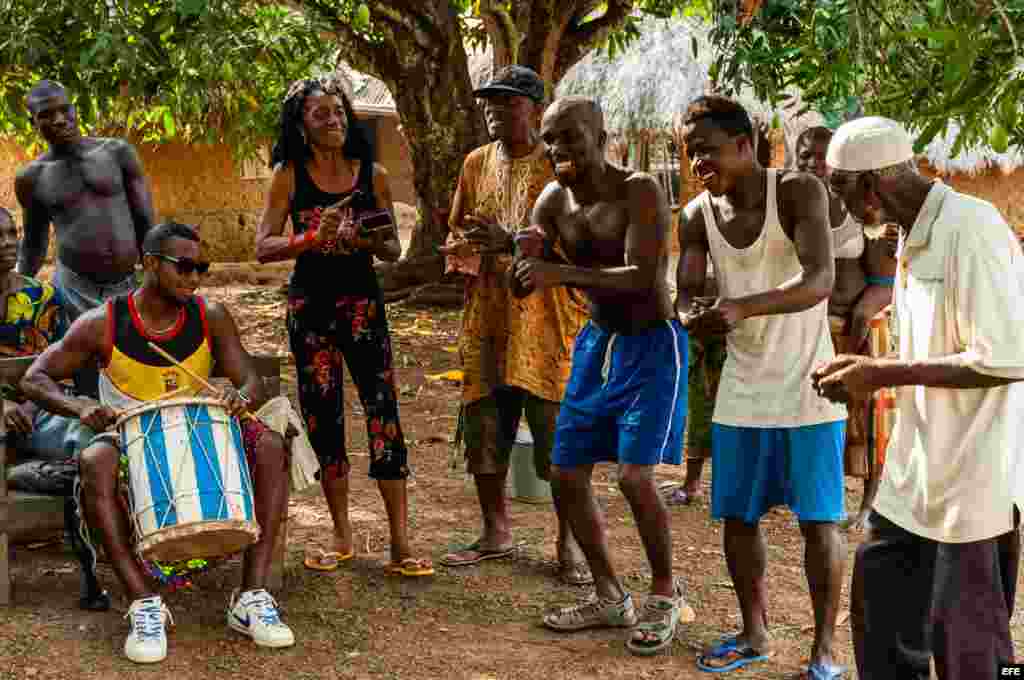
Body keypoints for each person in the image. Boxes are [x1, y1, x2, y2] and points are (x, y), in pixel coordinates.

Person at [20, 222, 294, 663]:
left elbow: (248, 378)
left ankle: (251, 596)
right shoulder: (104, 323)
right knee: (95, 460)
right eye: (183, 267)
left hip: (203, 430)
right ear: (149, 264)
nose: (194, 277)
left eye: (201, 268)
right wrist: (80, 407)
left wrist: (239, 397)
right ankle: (144, 602)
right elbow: (35, 378)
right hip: (130, 438)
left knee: (272, 446)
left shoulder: (211, 317)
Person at [814, 117, 1024, 680]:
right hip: (918, 470)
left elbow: (1007, 356)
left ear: (871, 185)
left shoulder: (971, 228)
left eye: (841, 192)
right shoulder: (908, 233)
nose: (842, 208)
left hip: (974, 479)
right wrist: (873, 370)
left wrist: (879, 375)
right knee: (880, 607)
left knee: (970, 647)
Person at [676, 96, 847, 678]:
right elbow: (684, 291)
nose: (698, 161)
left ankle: (823, 649)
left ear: (745, 145)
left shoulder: (798, 192)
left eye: (708, 149)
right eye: (690, 151)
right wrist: (691, 312)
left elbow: (820, 278)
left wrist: (741, 307)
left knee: (819, 522)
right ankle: (755, 633)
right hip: (742, 387)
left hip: (810, 384)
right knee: (738, 519)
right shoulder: (696, 214)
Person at [514, 96, 691, 656]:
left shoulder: (639, 189)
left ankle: (664, 593)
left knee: (635, 478)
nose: (559, 150)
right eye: (551, 139)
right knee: (564, 473)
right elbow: (528, 281)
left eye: (571, 137)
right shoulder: (551, 199)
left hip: (651, 344)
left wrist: (554, 269)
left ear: (601, 136)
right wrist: (515, 259)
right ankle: (610, 595)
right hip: (597, 344)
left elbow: (643, 276)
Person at [255, 75, 432, 577]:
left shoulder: (371, 174)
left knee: (384, 414)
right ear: (302, 126)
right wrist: (312, 237)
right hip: (311, 311)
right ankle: (341, 536)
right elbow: (263, 245)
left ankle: (400, 544)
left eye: (338, 111)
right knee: (323, 417)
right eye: (320, 115)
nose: (334, 120)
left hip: (363, 308)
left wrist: (361, 240)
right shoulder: (289, 175)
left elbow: (393, 249)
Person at [436, 66, 589, 583]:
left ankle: (571, 544)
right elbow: (458, 228)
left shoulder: (560, 167)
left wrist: (512, 242)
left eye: (507, 102)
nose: (494, 111)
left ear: (534, 109)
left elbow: (585, 242)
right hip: (488, 313)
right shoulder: (476, 162)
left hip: (549, 319)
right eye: (489, 103)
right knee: (484, 419)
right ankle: (494, 529)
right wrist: (465, 249)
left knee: (555, 429)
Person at [14, 80, 156, 396]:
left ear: (75, 109)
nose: (59, 119)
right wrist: (12, 287)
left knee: (137, 364)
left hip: (127, 285)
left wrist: (155, 275)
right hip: (73, 289)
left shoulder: (117, 153)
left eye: (65, 109)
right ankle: (97, 437)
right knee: (87, 372)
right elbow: (35, 247)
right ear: (33, 122)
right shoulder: (32, 178)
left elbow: (146, 222)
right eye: (46, 114)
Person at [796, 126, 897, 532]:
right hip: (814, 328)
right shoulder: (793, 207)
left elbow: (883, 285)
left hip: (860, 326)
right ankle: (826, 497)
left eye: (821, 157)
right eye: (804, 155)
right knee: (823, 414)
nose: (812, 164)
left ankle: (871, 502)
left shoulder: (862, 211)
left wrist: (856, 327)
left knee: (869, 419)